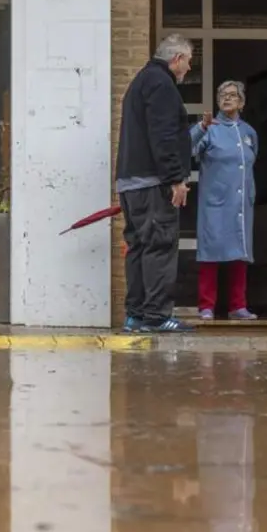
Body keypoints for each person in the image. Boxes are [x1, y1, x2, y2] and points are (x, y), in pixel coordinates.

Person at [115, 34, 196, 333]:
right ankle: (157, 316)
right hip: (153, 183)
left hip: (130, 183)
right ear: (176, 59)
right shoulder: (162, 84)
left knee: (138, 247)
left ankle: (136, 315)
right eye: (188, 62)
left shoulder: (140, 81)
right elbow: (162, 135)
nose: (188, 69)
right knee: (159, 246)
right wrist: (175, 178)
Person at [190, 81, 259, 321]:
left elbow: (251, 161)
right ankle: (206, 306)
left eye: (232, 95)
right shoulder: (210, 128)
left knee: (239, 253)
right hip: (215, 201)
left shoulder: (249, 132)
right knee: (211, 253)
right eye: (222, 95)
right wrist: (201, 126)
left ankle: (238, 306)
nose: (227, 99)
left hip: (241, 202)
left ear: (241, 102)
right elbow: (187, 147)